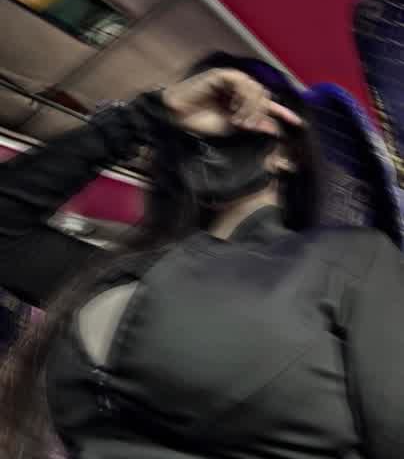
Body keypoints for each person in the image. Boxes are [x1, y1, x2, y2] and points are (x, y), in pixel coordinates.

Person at [0, 51, 403, 459]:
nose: (210, 129)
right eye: (196, 116)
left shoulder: (351, 259)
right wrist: (149, 113)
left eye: (236, 110)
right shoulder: (118, 273)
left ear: (287, 153)